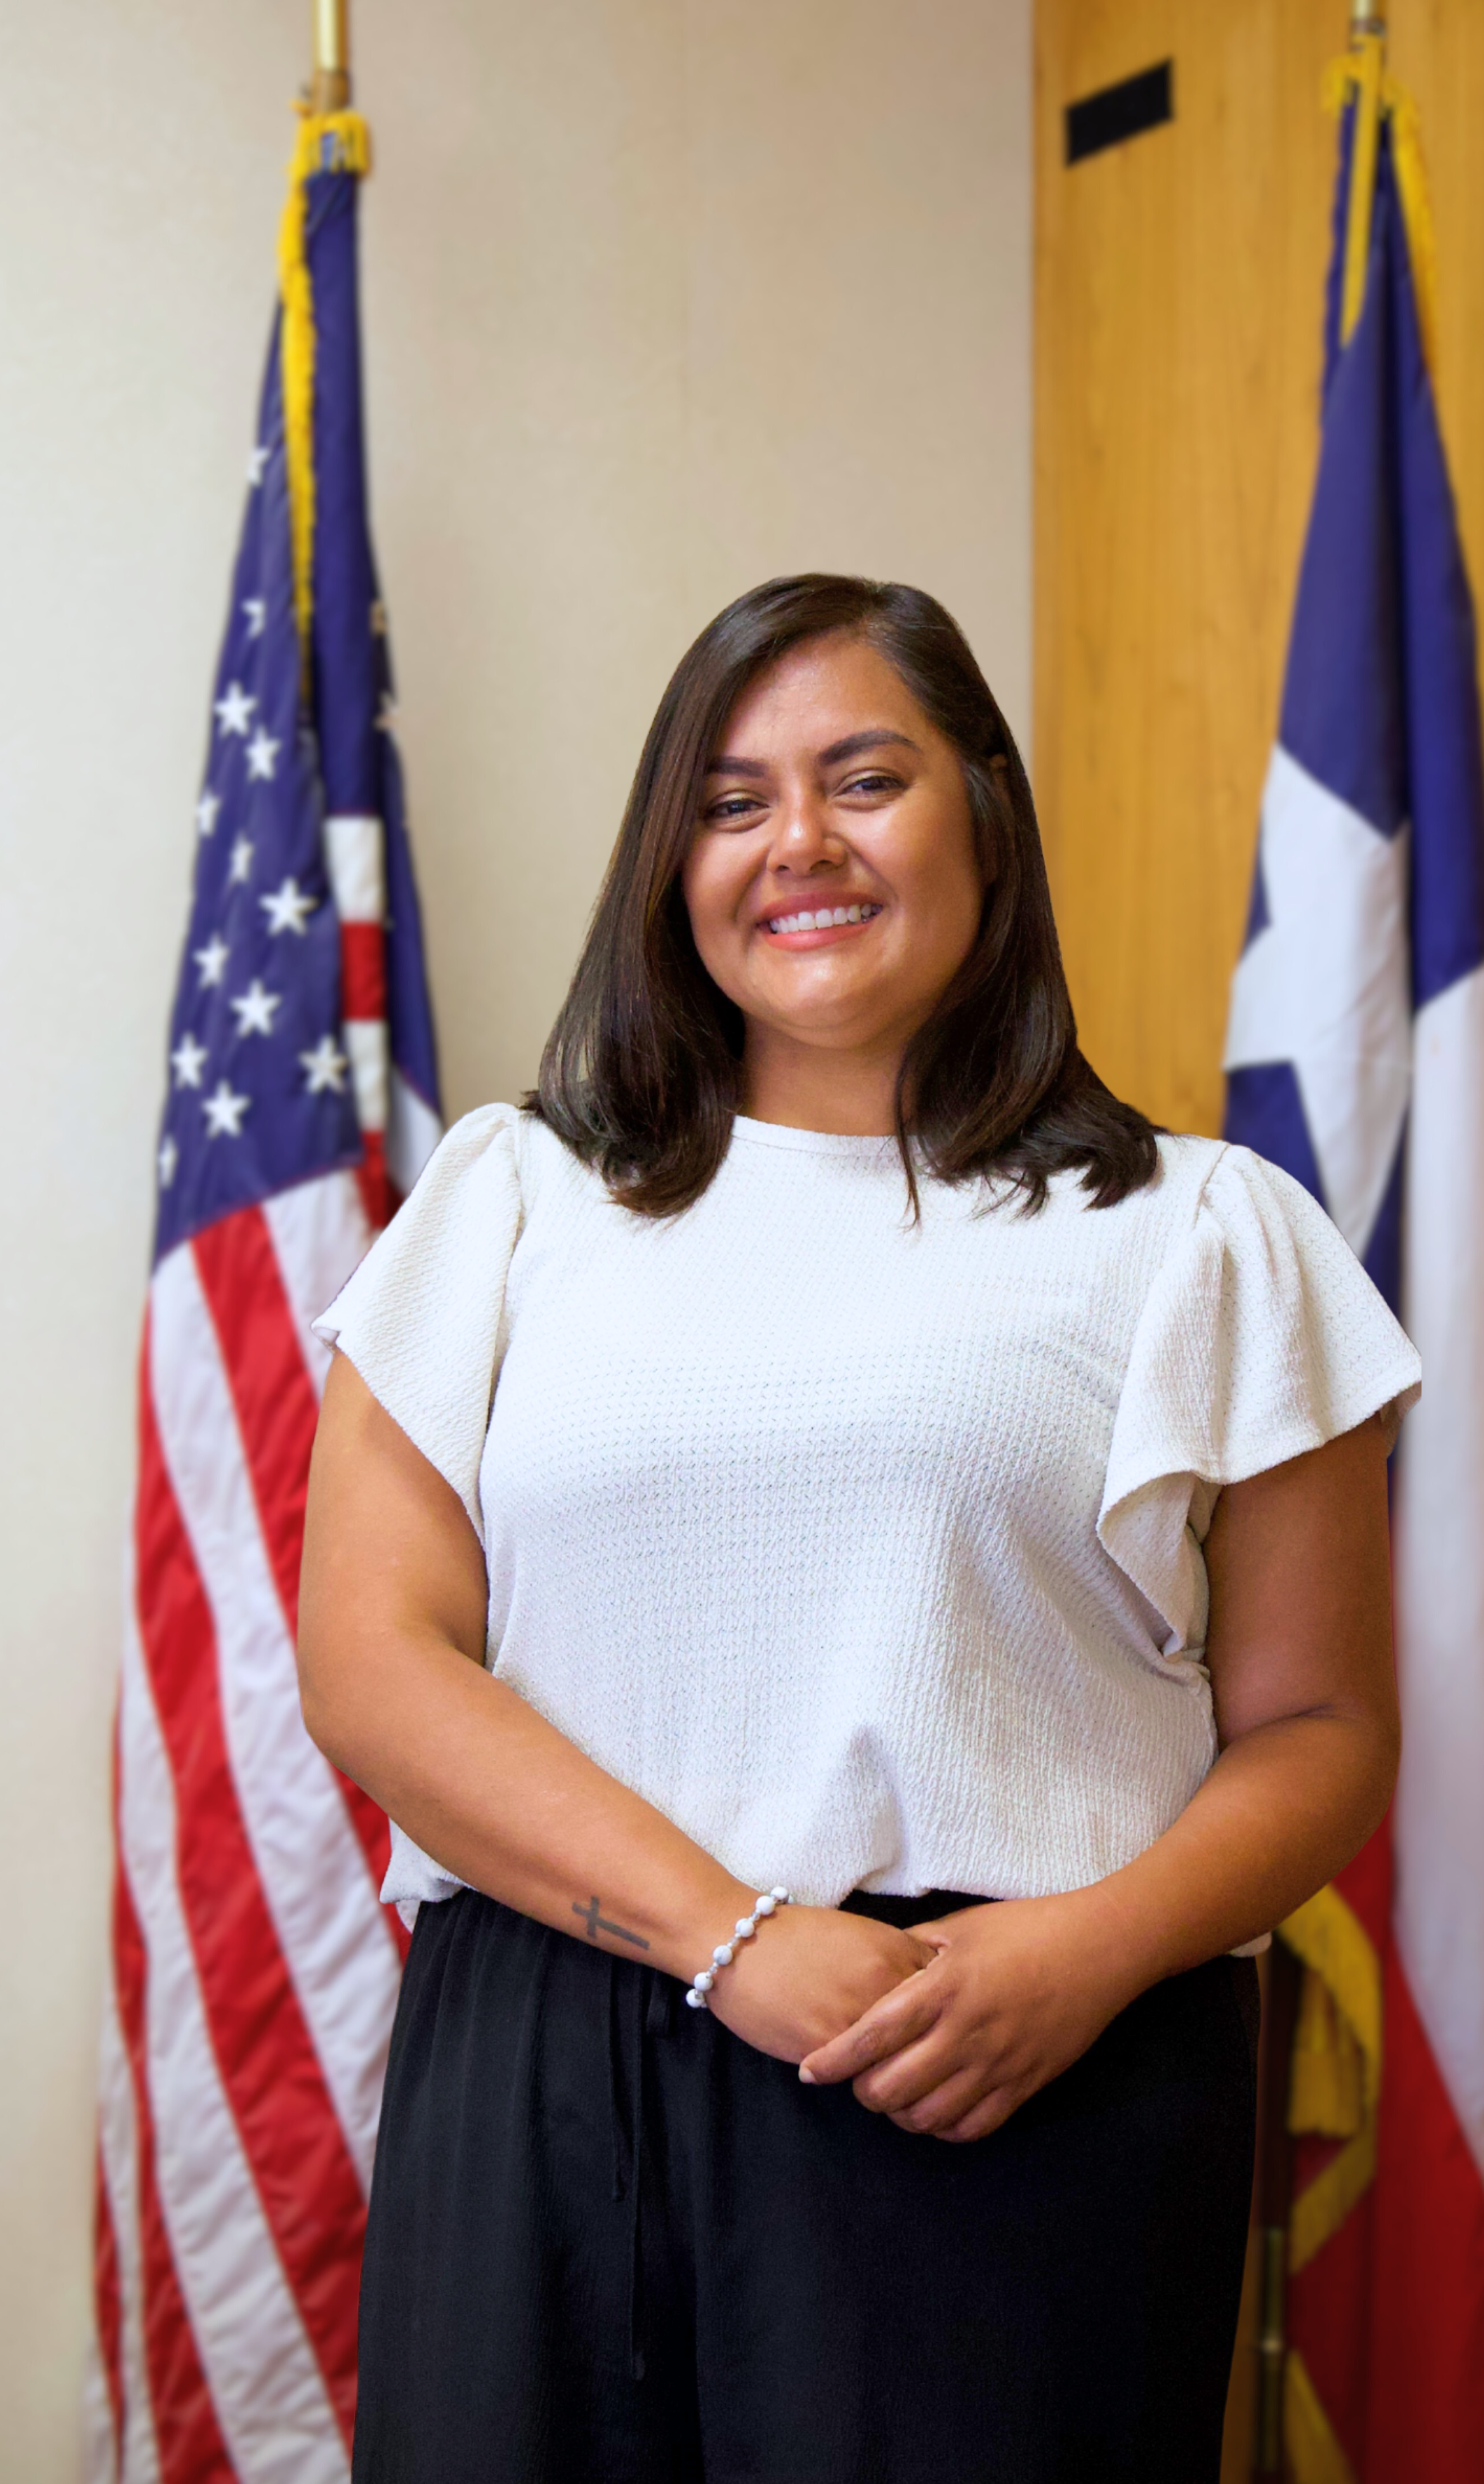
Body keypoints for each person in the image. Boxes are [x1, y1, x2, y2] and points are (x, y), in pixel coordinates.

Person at [298, 574, 1420, 2483]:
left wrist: (1084, 1956)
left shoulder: (1203, 1229)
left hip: (1007, 2078)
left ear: (982, 810)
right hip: (551, 2063)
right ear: (671, 862)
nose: (793, 843)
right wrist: (730, 1938)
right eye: (729, 802)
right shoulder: (508, 1199)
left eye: (862, 777)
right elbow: (371, 1663)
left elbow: (1320, 1733)